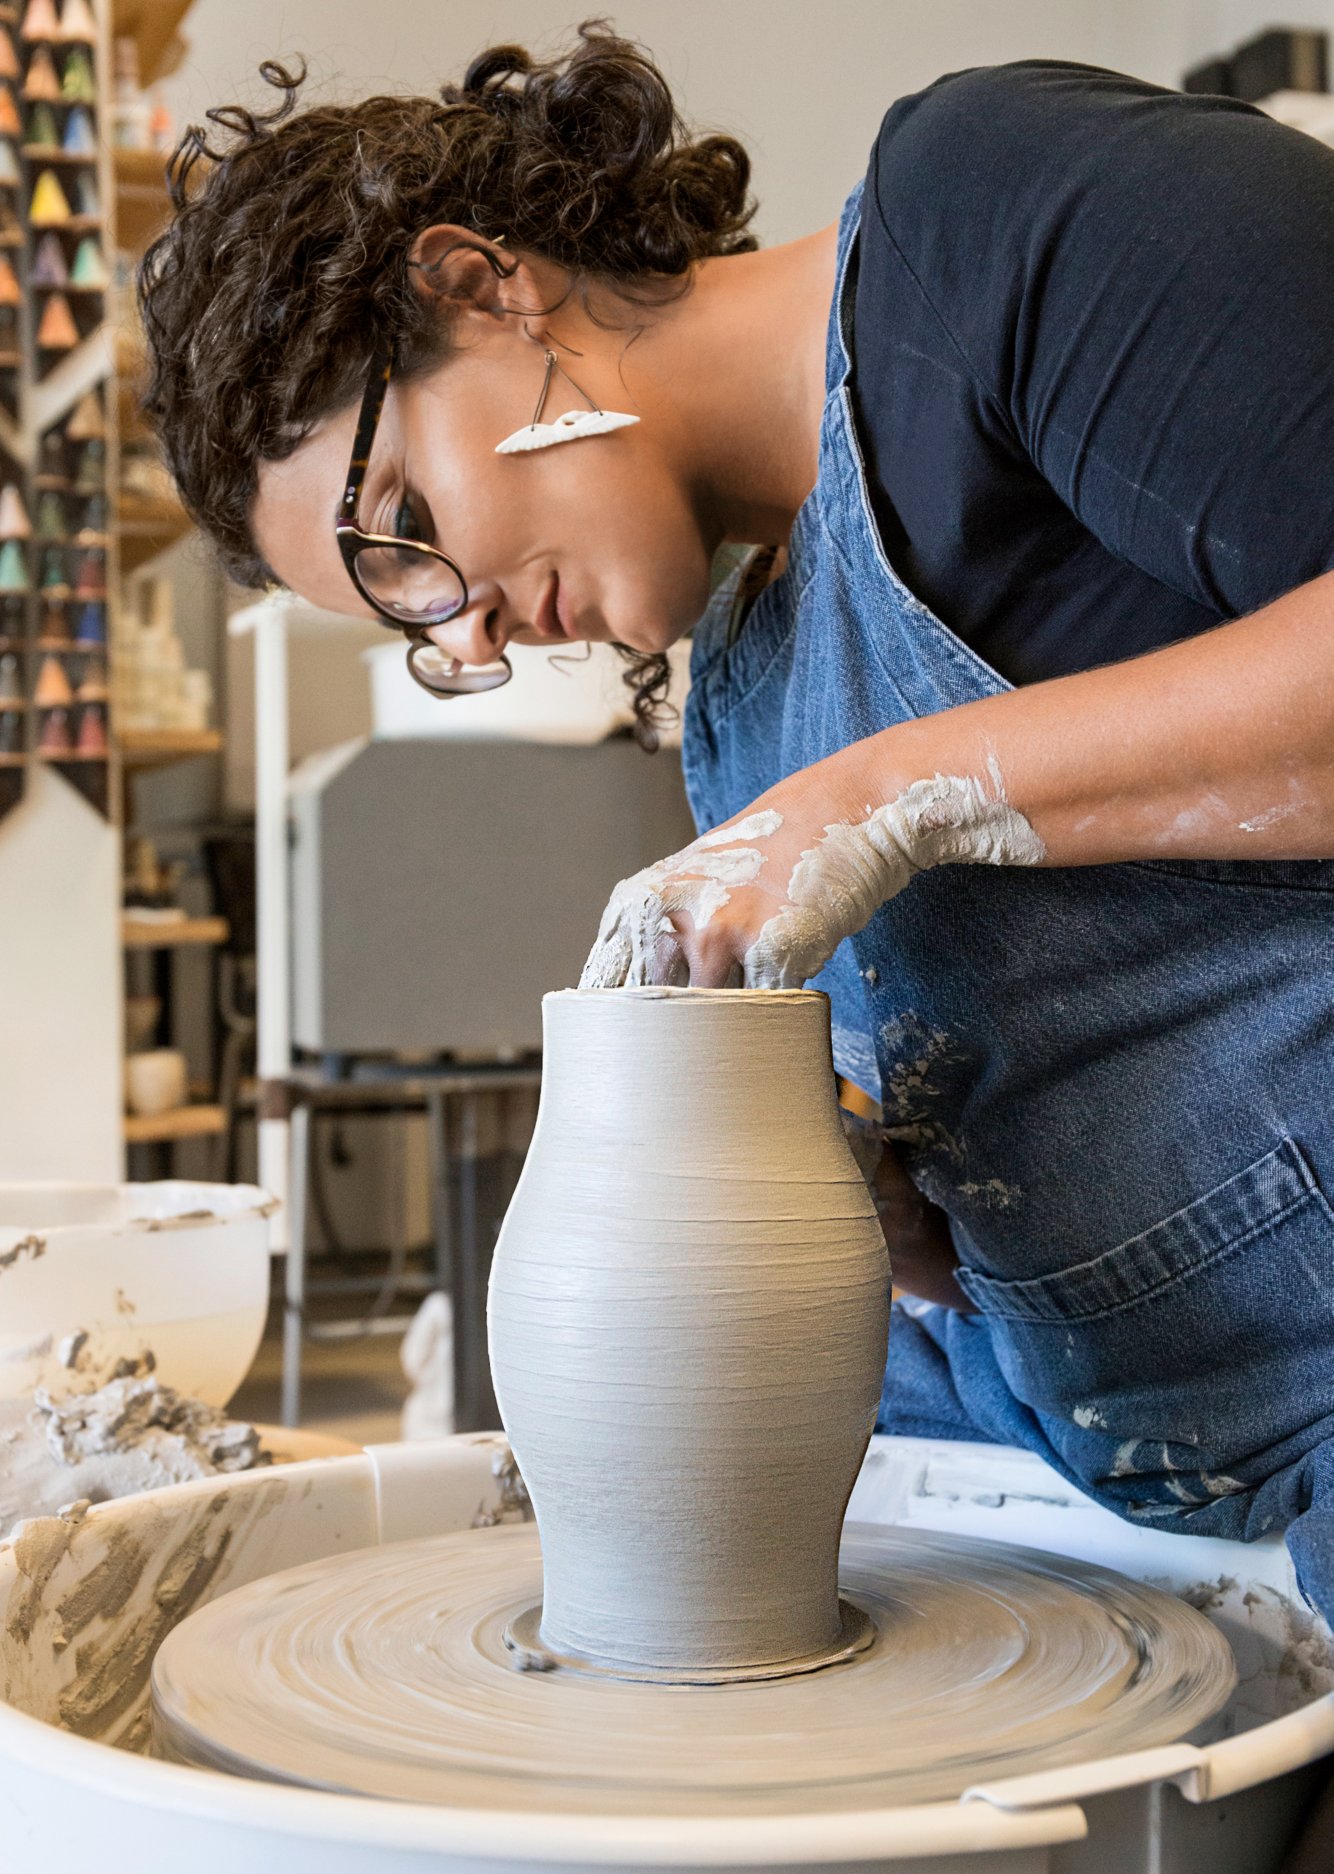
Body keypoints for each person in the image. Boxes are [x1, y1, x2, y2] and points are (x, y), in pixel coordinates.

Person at [139, 29, 1334, 1618]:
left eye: (405, 542)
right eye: (407, 626)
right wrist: (888, 1227)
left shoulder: (996, 211)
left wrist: (891, 795)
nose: (464, 637)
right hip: (1071, 1458)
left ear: (479, 284)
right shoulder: (741, 696)